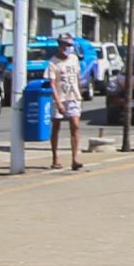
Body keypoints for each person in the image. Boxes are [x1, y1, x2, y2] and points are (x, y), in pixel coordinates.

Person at [47, 40, 86, 170]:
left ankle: (75, 159)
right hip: (60, 97)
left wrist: (79, 93)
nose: (67, 48)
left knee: (75, 125)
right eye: (65, 45)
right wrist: (58, 102)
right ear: (60, 46)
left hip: (73, 97)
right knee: (56, 126)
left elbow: (77, 77)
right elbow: (52, 83)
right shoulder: (53, 62)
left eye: (70, 45)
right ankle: (55, 158)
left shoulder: (74, 59)